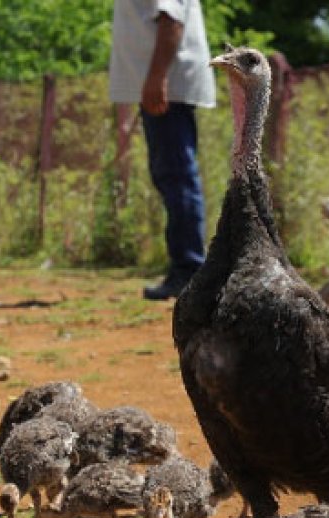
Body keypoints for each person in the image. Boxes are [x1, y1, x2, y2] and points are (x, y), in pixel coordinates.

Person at [110, 0, 216, 300]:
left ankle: (190, 270)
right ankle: (187, 267)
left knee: (176, 174)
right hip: (161, 86)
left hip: (167, 88)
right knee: (171, 174)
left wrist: (156, 79)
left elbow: (171, 21)